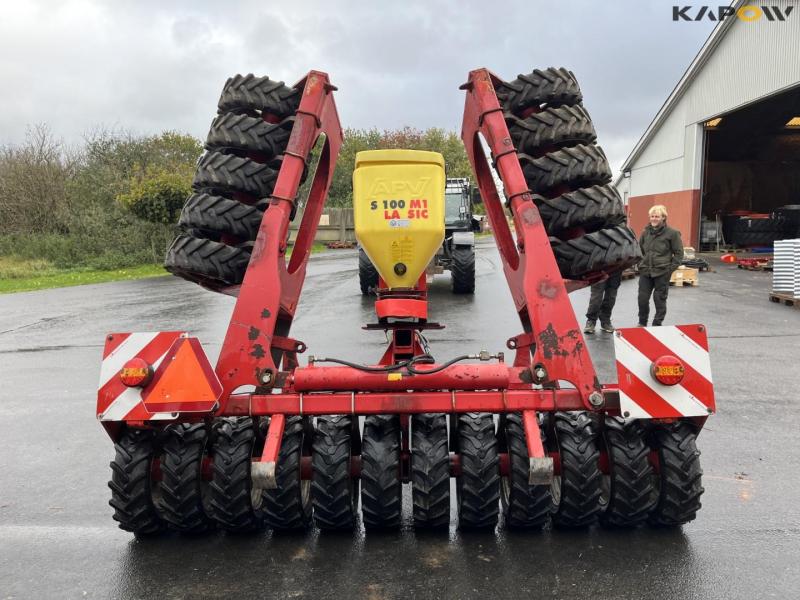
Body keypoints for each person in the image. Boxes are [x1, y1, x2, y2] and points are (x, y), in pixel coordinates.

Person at [637, 205, 683, 326]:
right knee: (642, 299)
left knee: (659, 300)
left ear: (663, 217)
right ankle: (642, 323)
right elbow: (639, 250)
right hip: (646, 272)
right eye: (652, 216)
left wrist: (669, 270)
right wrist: (640, 264)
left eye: (657, 216)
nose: (654, 219)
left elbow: (679, 254)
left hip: (662, 272)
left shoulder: (672, 233)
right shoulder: (645, 232)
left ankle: (657, 324)